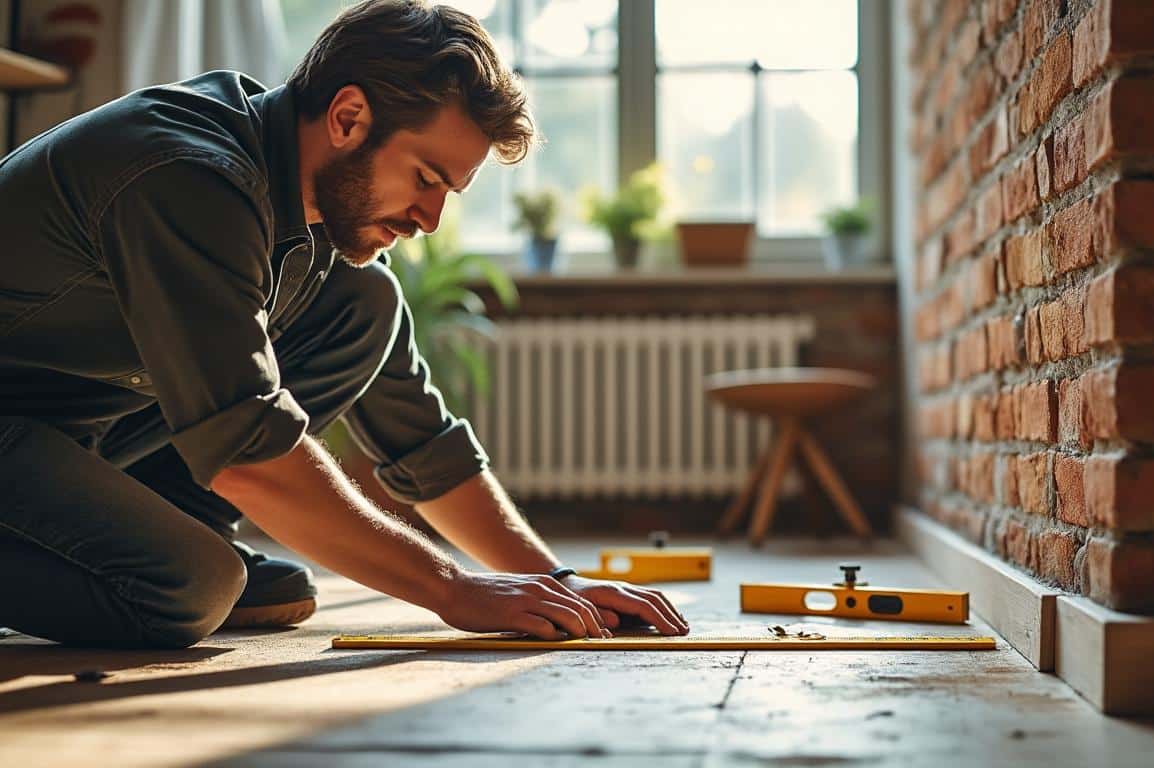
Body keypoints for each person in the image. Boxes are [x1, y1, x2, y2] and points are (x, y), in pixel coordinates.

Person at [0, 0, 688, 648]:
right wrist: (455, 590)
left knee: (366, 305)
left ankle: (160, 527)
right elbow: (248, 451)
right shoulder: (188, 176)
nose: (429, 219)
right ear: (349, 117)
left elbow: (420, 440)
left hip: (66, 434)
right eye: (425, 177)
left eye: (447, 193)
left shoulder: (309, 219)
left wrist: (554, 582)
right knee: (191, 583)